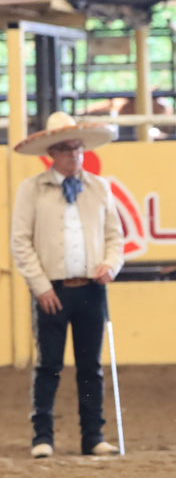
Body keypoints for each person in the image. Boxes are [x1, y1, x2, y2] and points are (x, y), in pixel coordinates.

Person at [10, 112, 123, 458]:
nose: (74, 155)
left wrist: (111, 264)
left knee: (91, 366)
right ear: (51, 154)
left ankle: (94, 436)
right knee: (49, 365)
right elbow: (20, 242)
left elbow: (114, 237)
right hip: (52, 292)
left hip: (91, 288)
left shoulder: (99, 188)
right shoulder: (31, 189)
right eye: (65, 149)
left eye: (78, 148)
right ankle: (42, 437)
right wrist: (40, 286)